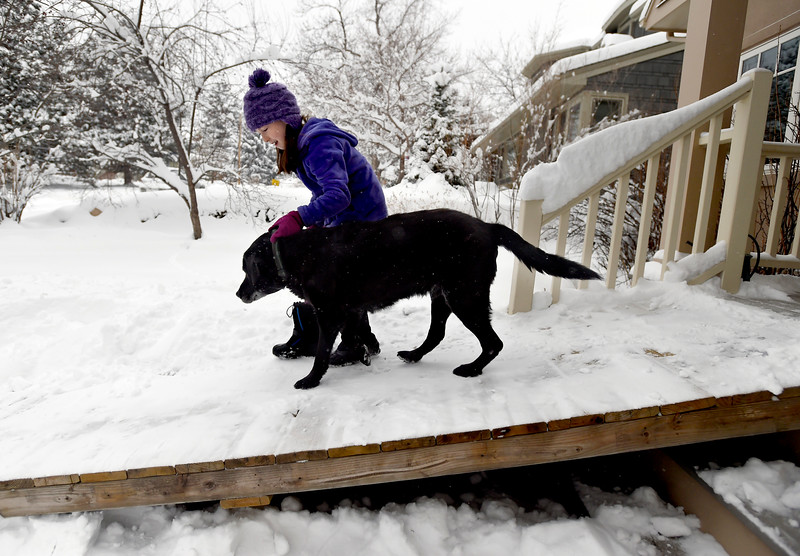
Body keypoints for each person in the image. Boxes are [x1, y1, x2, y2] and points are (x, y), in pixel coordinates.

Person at [243, 68, 388, 366]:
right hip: (350, 218)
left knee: (342, 280)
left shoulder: (318, 144)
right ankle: (365, 339)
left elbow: (338, 195)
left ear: (282, 118)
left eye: (264, 130)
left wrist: (299, 217)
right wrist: (310, 218)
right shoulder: (306, 144)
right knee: (341, 275)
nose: (264, 138)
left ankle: (353, 343)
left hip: (363, 220)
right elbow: (325, 193)